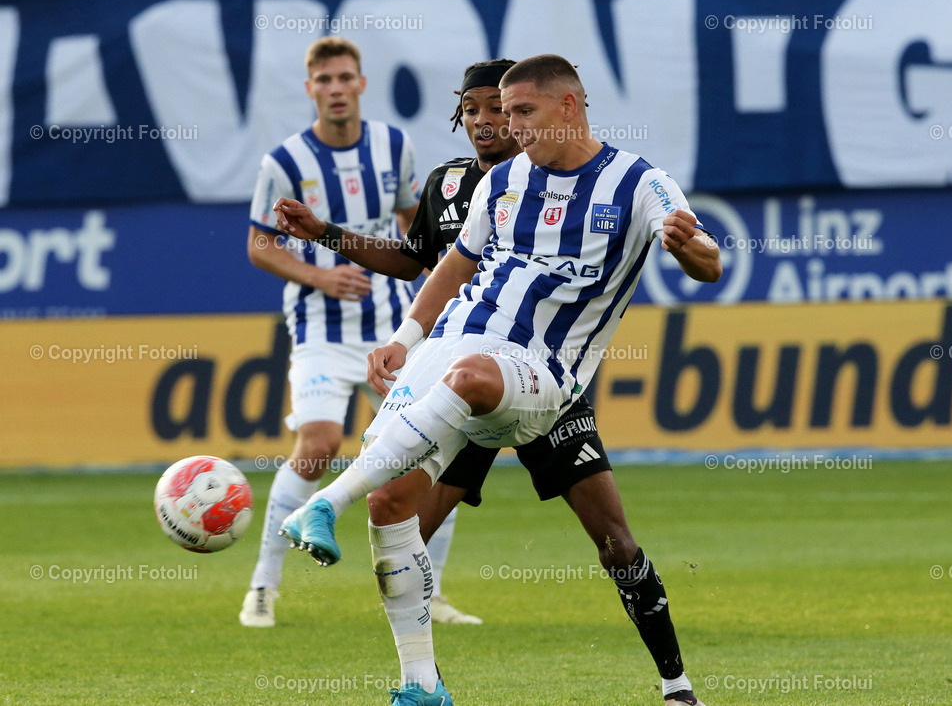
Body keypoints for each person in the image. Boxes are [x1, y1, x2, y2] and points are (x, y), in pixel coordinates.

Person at [278, 54, 721, 705]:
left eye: (519, 112)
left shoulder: (638, 183)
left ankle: (677, 686)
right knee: (391, 506)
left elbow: (706, 261)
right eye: (493, 112)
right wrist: (403, 339)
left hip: (543, 378)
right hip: (461, 349)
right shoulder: (501, 181)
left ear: (568, 106)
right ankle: (420, 683)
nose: (505, 127)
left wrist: (689, 248)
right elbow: (452, 265)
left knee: (613, 540)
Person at [239, 36, 486, 629]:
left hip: (391, 326)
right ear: (311, 90)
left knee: (433, 449)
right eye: (324, 80)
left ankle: (432, 591)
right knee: (320, 443)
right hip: (322, 329)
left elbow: (415, 231)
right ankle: (263, 588)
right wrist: (318, 278)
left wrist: (438, 292)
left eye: (345, 77)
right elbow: (259, 244)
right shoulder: (284, 162)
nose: (336, 88)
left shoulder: (393, 146)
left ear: (361, 84)